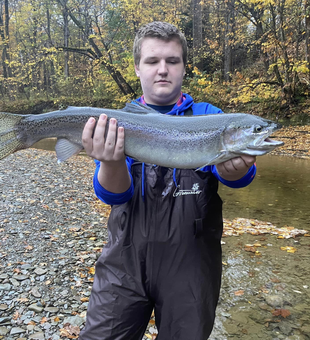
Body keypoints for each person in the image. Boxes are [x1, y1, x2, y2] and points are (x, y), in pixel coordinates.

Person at [79, 21, 256, 340]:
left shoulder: (210, 117)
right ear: (136, 68)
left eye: (172, 61)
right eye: (152, 61)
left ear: (184, 67)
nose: (163, 70)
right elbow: (113, 195)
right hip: (125, 259)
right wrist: (111, 160)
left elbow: (237, 175)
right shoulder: (116, 123)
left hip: (192, 264)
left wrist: (238, 170)